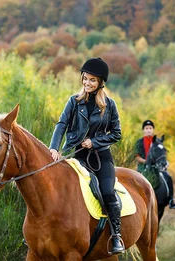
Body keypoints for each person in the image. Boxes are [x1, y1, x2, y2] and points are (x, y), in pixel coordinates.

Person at [49, 58, 124, 255]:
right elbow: (61, 124)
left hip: (100, 158)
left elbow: (117, 133)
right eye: (85, 79)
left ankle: (116, 235)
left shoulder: (109, 105)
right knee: (52, 190)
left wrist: (95, 142)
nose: (87, 83)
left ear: (100, 82)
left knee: (107, 192)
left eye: (92, 80)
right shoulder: (74, 101)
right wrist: (54, 148)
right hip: (74, 155)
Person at [135, 120, 175, 209]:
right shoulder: (139, 142)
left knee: (168, 177)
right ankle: (134, 199)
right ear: (143, 130)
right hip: (143, 168)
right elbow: (137, 157)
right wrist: (146, 161)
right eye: (146, 128)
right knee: (135, 181)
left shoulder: (158, 141)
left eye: (150, 128)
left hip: (157, 168)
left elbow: (162, 154)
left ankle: (171, 199)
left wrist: (164, 162)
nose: (148, 130)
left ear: (153, 130)